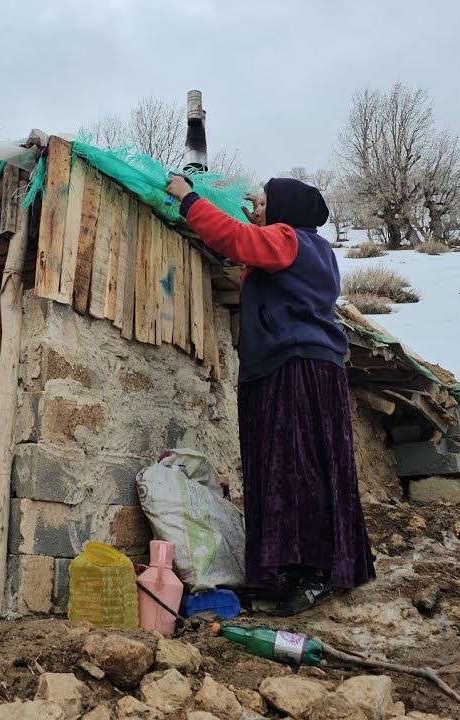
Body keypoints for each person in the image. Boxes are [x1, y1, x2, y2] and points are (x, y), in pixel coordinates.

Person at [165, 175, 376, 615]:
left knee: (297, 469)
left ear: (285, 210)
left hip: (296, 368)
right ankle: (297, 569)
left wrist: (189, 200)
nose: (255, 209)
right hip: (291, 368)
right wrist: (257, 224)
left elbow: (240, 241)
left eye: (262, 203)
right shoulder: (304, 246)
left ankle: (312, 574)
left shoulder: (287, 239)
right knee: (285, 468)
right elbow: (254, 244)